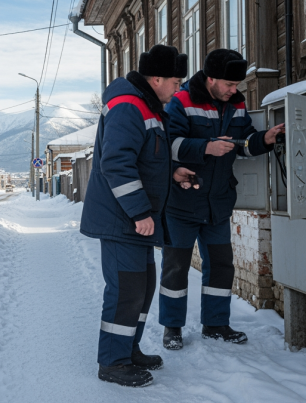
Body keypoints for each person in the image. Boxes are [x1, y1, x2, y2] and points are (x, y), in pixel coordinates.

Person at [80, 45, 194, 387]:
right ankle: (113, 362)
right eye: (176, 81)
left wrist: (173, 173)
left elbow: (146, 158)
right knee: (126, 290)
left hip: (135, 221)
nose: (179, 88)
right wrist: (141, 212)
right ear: (156, 78)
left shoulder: (148, 106)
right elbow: (116, 163)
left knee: (141, 289)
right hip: (122, 219)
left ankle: (129, 349)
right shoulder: (129, 106)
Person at [159, 49, 285, 350]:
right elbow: (168, 145)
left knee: (221, 265)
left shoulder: (237, 105)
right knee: (175, 267)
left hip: (218, 204)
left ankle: (215, 324)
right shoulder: (181, 101)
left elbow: (242, 145)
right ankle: (172, 328)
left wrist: (264, 140)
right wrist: (206, 148)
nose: (234, 90)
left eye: (237, 84)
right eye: (229, 84)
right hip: (182, 202)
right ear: (211, 78)